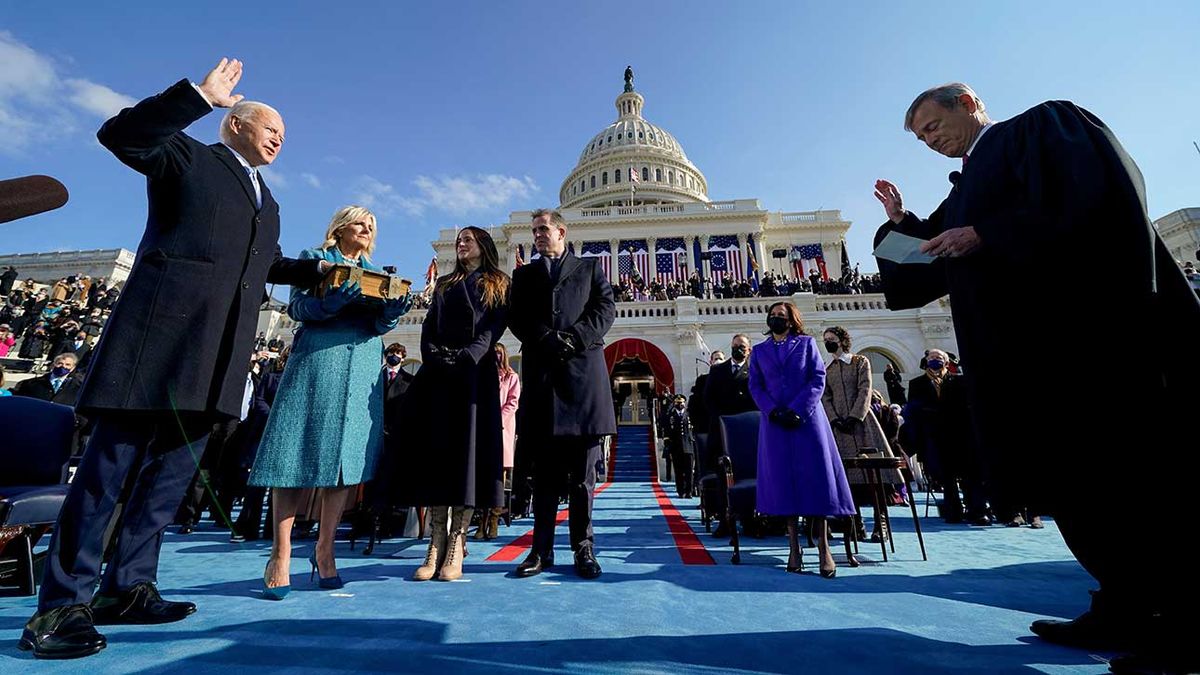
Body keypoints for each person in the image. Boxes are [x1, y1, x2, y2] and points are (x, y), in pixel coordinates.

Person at [873, 82, 1200, 674]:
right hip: (1028, 369)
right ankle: (1123, 605)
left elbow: (1103, 200)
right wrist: (903, 227)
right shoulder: (967, 187)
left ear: (966, 101)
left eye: (931, 125)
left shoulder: (1045, 128)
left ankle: (1185, 624)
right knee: (1076, 493)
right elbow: (922, 271)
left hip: (1090, 352)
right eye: (920, 138)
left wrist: (988, 235)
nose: (929, 140)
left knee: (1129, 486)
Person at [19, 58, 329, 660]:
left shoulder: (268, 201)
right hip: (156, 349)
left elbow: (261, 268)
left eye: (284, 135)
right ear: (234, 124)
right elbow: (122, 134)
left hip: (214, 361)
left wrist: (316, 270)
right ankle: (61, 604)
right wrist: (197, 96)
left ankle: (128, 587)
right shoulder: (187, 157)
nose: (278, 138)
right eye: (269, 127)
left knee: (165, 484)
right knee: (106, 478)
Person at [249, 205, 413, 597]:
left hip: (361, 364)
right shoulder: (315, 260)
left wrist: (390, 316)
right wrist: (328, 305)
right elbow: (298, 307)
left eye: (372, 225)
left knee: (345, 459)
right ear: (339, 229)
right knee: (294, 453)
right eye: (360, 223)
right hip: (319, 358)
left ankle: (325, 550)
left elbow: (378, 323)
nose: (366, 230)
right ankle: (281, 553)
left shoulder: (379, 274)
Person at [509, 209, 616, 579]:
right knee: (544, 479)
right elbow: (517, 316)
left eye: (544, 229)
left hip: (583, 381)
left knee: (583, 479)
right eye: (534, 230)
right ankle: (541, 550)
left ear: (561, 231)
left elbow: (605, 309)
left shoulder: (589, 269)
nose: (538, 235)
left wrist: (574, 338)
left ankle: (583, 549)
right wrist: (545, 337)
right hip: (543, 384)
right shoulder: (523, 275)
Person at [396, 226, 507, 582]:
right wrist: (433, 357)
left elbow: (493, 329)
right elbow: (429, 326)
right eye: (458, 241)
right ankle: (436, 541)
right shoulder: (444, 284)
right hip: (440, 377)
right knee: (439, 457)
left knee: (467, 457)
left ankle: (457, 542)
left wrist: (468, 357)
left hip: (474, 377)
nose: (461, 245)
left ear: (483, 247)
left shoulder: (499, 283)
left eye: (467, 241)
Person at [748, 302, 855, 578]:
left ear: (792, 320)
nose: (775, 320)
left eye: (781, 316)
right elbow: (755, 385)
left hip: (807, 421)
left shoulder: (806, 344)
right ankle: (793, 547)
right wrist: (772, 410)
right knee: (784, 483)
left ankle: (824, 550)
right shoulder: (759, 351)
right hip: (775, 423)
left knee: (815, 481)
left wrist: (799, 409)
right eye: (772, 316)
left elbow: (817, 378)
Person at [820, 326, 901, 542]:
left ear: (842, 340)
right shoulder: (828, 369)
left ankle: (880, 522)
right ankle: (855, 523)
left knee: (875, 475)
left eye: (832, 338)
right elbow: (825, 397)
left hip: (863, 424)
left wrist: (856, 416)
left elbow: (866, 389)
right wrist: (835, 419)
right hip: (840, 428)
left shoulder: (860, 362)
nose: (829, 342)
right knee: (848, 477)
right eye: (826, 339)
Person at [703, 336, 757, 536]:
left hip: (747, 434)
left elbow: (758, 398)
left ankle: (749, 520)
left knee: (747, 474)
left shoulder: (754, 372)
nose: (738, 350)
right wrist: (724, 420)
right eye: (735, 346)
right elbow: (708, 399)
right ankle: (725, 521)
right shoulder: (717, 370)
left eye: (742, 347)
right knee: (722, 478)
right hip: (722, 432)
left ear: (749, 350)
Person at [475, 342, 521, 541]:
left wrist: (496, 418)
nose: (497, 357)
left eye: (499, 353)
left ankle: (494, 520)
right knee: (482, 480)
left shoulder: (512, 377)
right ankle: (482, 521)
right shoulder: (483, 376)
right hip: (484, 432)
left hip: (501, 431)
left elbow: (512, 403)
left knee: (498, 481)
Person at [12, 352, 84, 407]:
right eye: (60, 363)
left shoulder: (77, 387)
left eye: (67, 365)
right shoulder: (31, 383)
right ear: (53, 364)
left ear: (73, 368)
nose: (63, 366)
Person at [662, 394, 694, 498]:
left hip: (688, 446)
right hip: (675, 447)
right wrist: (668, 446)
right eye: (677, 403)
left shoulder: (690, 414)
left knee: (689, 471)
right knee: (678, 471)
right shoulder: (670, 415)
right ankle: (681, 491)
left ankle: (689, 491)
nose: (680, 404)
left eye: (681, 403)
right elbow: (666, 432)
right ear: (674, 403)